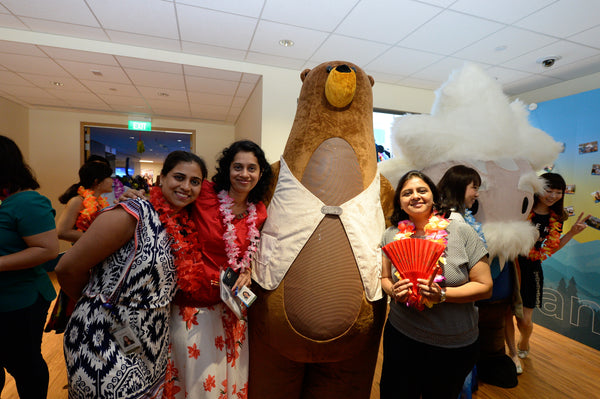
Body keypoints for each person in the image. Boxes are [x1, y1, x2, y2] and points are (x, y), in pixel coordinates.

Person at [56, 150, 207, 398]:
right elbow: (67, 268)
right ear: (162, 178)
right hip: (103, 339)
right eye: (178, 177)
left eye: (195, 182)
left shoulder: (183, 222)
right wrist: (99, 303)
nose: (186, 187)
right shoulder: (132, 212)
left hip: (152, 342)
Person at [163, 140, 272, 398]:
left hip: (230, 310)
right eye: (238, 167)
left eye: (251, 168)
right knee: (195, 383)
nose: (244, 174)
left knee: (224, 383)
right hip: (193, 306)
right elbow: (172, 199)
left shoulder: (260, 212)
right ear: (227, 169)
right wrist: (140, 197)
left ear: (260, 173)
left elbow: (254, 251)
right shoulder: (206, 194)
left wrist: (248, 270)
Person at [379, 170, 492, 399]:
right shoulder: (391, 235)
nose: (415, 196)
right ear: (399, 201)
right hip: (401, 336)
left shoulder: (460, 231)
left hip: (452, 345)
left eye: (422, 190)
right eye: (407, 192)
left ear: (434, 196)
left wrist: (442, 294)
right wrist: (393, 291)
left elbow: (485, 286)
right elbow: (384, 278)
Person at [506, 172, 589, 373]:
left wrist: (571, 233)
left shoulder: (557, 218)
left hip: (532, 269)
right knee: (506, 314)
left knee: (525, 321)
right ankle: (512, 354)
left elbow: (550, 248)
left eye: (557, 192)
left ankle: (524, 340)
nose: (551, 195)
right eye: (547, 190)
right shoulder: (522, 207)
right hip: (510, 264)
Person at [0, 135, 60, 399]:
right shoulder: (8, 201)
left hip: (20, 300)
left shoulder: (27, 201)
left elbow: (47, 250)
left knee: (24, 364)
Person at [45, 160, 114, 333]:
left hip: (96, 260)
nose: (113, 182)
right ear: (97, 181)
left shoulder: (99, 202)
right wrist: (93, 238)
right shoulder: (78, 201)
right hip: (82, 259)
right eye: (109, 178)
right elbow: (61, 231)